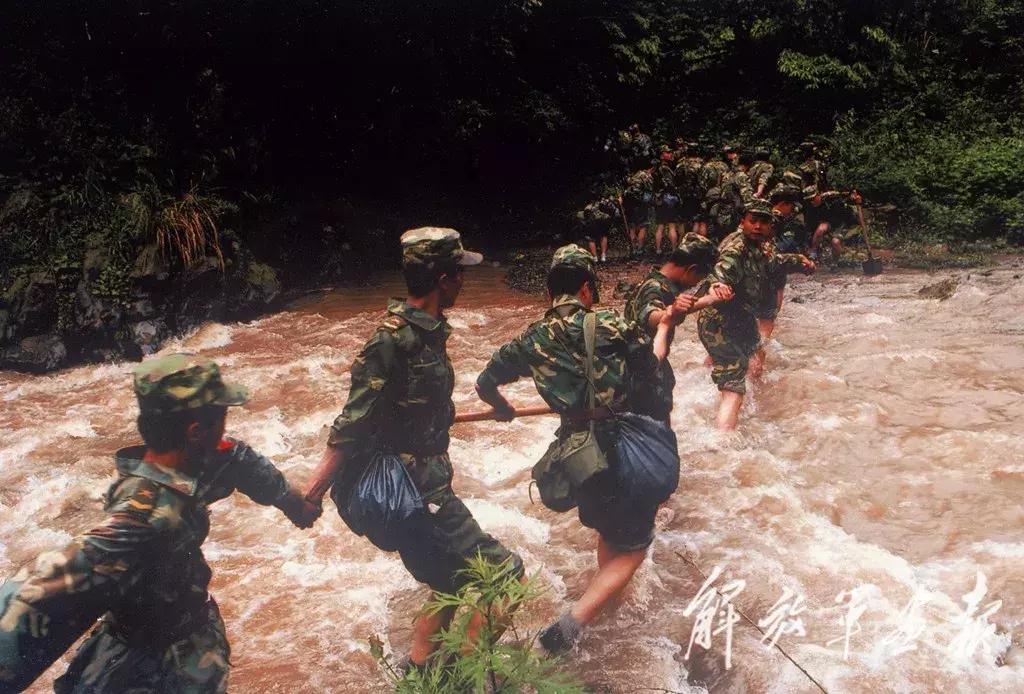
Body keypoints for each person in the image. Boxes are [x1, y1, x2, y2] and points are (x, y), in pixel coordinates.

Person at [0, 354, 321, 693]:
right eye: (222, 419)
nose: (225, 431)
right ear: (196, 431)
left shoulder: (192, 461)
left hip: (188, 638)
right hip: (143, 661)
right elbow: (31, 591)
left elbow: (240, 460)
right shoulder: (147, 515)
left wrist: (294, 504)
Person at [303, 227, 524, 672]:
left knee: (448, 582)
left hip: (428, 481)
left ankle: (419, 674)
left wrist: (455, 414)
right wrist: (311, 493)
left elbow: (406, 404)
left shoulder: (429, 332)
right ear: (443, 278)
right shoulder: (391, 340)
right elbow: (351, 422)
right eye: (460, 273)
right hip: (419, 492)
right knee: (507, 577)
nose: (464, 281)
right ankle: (466, 675)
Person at [475, 244, 687, 654]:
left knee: (610, 529)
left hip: (578, 454)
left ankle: (607, 602)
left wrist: (503, 409)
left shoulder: (531, 338)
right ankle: (571, 625)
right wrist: (663, 329)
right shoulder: (609, 324)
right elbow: (652, 369)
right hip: (620, 446)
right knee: (635, 548)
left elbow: (485, 383)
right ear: (588, 288)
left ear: (551, 290)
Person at [697, 200, 815, 430]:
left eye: (763, 222)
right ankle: (723, 442)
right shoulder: (735, 248)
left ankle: (709, 386)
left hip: (742, 318)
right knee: (734, 388)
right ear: (743, 222)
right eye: (753, 221)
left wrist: (801, 262)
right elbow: (720, 271)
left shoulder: (762, 247)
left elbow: (774, 263)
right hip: (718, 322)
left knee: (756, 362)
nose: (758, 226)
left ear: (771, 226)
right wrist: (719, 284)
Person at [623, 234, 733, 423]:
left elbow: (685, 299)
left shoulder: (658, 280)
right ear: (691, 269)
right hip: (644, 376)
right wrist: (672, 313)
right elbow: (654, 316)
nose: (696, 284)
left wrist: (712, 289)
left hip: (635, 371)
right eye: (699, 278)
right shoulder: (655, 288)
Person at [749, 184, 810, 378]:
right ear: (783, 204)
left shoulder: (754, 213)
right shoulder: (773, 218)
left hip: (751, 271)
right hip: (769, 271)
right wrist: (798, 260)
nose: (792, 212)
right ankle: (756, 369)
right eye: (791, 207)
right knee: (766, 323)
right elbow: (776, 248)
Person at [621, 166, 655, 255]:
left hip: (630, 204)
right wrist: (649, 204)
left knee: (632, 227)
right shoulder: (647, 176)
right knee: (642, 226)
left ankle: (634, 249)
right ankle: (639, 249)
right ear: (651, 169)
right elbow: (649, 192)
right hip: (641, 205)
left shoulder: (633, 176)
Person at [652, 151, 680, 255]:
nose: (670, 154)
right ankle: (673, 249)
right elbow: (671, 184)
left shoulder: (655, 169)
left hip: (659, 200)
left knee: (660, 226)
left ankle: (658, 249)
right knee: (672, 226)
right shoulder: (666, 169)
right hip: (669, 199)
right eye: (667, 152)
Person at [576, 195, 618, 263]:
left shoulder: (587, 206)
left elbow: (583, 216)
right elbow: (612, 211)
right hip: (602, 222)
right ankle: (603, 256)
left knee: (591, 239)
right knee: (604, 236)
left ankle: (595, 257)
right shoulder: (603, 202)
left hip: (591, 223)